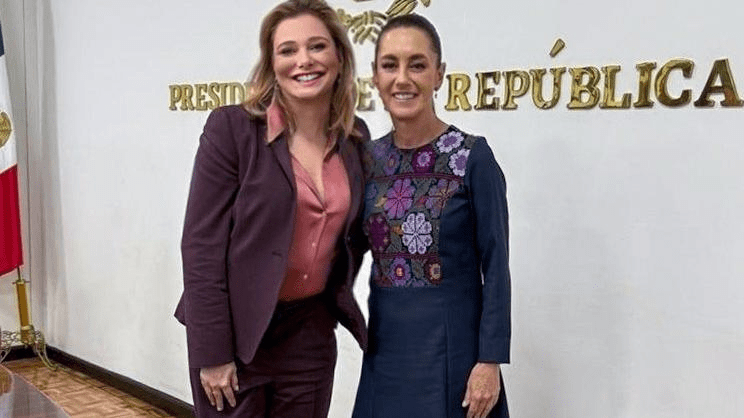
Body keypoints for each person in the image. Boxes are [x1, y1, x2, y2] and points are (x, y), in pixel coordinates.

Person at [174, 1, 370, 416]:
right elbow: (201, 247)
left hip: (309, 332)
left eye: (317, 46)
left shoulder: (355, 139)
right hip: (236, 333)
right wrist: (213, 352)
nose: (304, 60)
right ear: (271, 63)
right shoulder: (233, 130)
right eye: (287, 50)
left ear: (339, 57)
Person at [352, 14, 511, 418]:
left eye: (417, 65)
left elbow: (496, 265)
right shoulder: (366, 161)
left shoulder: (471, 157)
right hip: (385, 352)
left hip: (454, 357)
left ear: (439, 75)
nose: (402, 79)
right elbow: (342, 253)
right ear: (375, 77)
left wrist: (489, 361)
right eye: (390, 65)